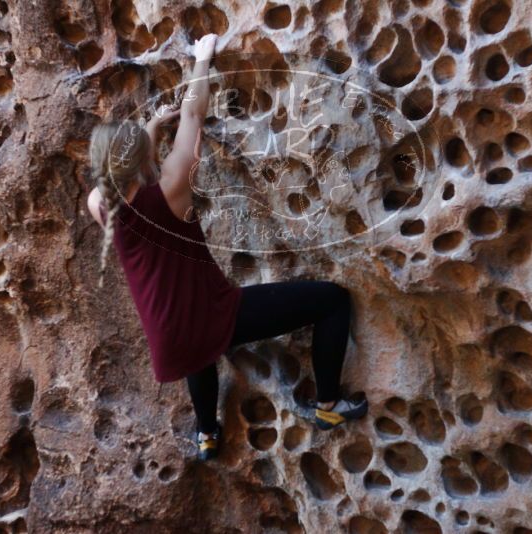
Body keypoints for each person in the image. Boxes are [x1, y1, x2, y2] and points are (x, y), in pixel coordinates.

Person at [86, 33, 368, 461]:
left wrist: (152, 127)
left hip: (167, 333)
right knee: (332, 301)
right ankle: (328, 406)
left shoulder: (99, 205)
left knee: (196, 351)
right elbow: (195, 114)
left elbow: (124, 171)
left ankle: (206, 434)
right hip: (213, 313)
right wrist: (202, 60)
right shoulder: (173, 189)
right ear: (143, 158)